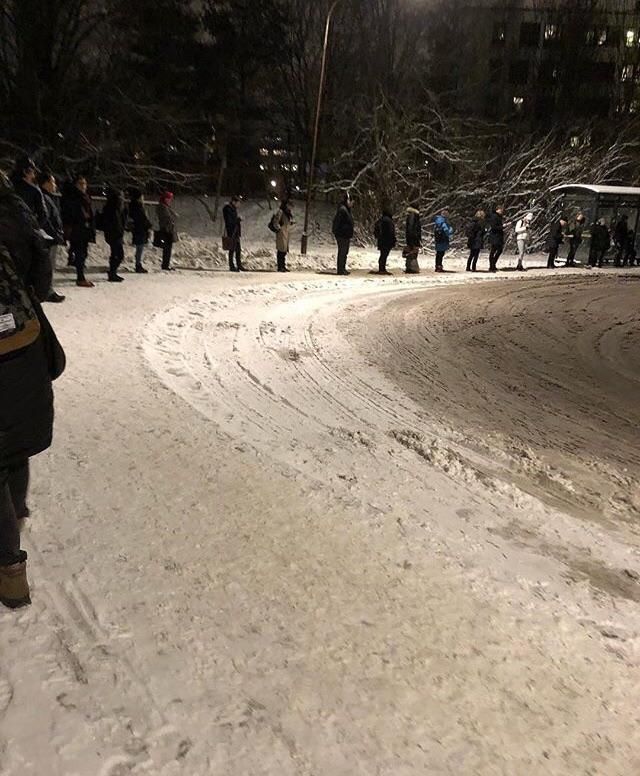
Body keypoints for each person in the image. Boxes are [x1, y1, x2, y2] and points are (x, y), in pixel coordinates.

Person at [0, 171, 55, 609]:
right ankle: (17, 511)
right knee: (13, 441)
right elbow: (42, 259)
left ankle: (10, 575)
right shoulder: (17, 209)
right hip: (24, 336)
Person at [38, 172, 66, 302]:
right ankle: (47, 291)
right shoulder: (42, 197)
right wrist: (54, 234)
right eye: (52, 182)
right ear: (45, 183)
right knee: (47, 266)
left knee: (50, 265)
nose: (54, 185)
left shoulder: (49, 197)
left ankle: (48, 289)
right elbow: (46, 219)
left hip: (52, 236)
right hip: (48, 237)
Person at [65, 174, 95, 287]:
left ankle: (80, 274)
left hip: (84, 228)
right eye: (81, 184)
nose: (83, 186)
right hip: (78, 228)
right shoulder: (74, 197)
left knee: (82, 252)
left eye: (84, 184)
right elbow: (75, 212)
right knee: (80, 253)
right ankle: (80, 277)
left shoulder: (85, 196)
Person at [10, 156, 49, 233]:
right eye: (32, 172)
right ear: (25, 172)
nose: (33, 176)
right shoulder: (34, 190)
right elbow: (43, 215)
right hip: (24, 232)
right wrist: (34, 228)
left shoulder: (6, 186)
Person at [101, 187, 127, 282]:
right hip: (114, 234)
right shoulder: (113, 208)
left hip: (115, 234)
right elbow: (114, 223)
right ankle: (112, 272)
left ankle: (113, 272)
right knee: (118, 254)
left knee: (116, 254)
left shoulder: (116, 208)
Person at [127, 188, 152, 273]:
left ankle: (138, 264)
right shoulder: (138, 206)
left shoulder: (134, 206)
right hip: (140, 229)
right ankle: (138, 265)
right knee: (140, 247)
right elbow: (142, 218)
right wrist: (148, 225)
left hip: (138, 229)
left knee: (140, 247)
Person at [332, 193, 354, 276]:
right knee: (342, 252)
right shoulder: (343, 210)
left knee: (344, 252)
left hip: (345, 234)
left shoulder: (346, 210)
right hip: (342, 235)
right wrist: (338, 232)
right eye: (351, 202)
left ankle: (342, 268)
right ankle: (340, 269)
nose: (352, 204)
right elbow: (338, 222)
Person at [271, 197, 293, 272]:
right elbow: (276, 221)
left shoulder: (287, 212)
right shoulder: (281, 211)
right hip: (281, 233)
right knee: (281, 250)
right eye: (289, 205)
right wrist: (279, 228)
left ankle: (282, 265)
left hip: (285, 232)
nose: (290, 207)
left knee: (284, 250)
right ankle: (280, 266)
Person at [222, 195, 244, 272]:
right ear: (234, 202)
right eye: (238, 203)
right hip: (232, 231)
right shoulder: (228, 209)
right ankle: (231, 266)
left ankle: (239, 265)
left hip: (236, 231)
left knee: (238, 249)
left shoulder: (233, 209)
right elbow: (229, 221)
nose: (239, 205)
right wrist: (237, 220)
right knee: (232, 249)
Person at [157, 191, 178, 271]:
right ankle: (165, 265)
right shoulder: (163, 207)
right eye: (168, 198)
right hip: (166, 229)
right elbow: (167, 217)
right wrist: (172, 217)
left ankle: (166, 264)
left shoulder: (166, 207)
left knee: (168, 248)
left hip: (168, 228)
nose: (170, 200)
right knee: (167, 248)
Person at [374, 206, 396, 274]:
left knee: (383, 254)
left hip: (382, 240)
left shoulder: (381, 219)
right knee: (384, 255)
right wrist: (393, 239)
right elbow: (390, 231)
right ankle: (382, 269)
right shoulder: (388, 220)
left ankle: (382, 268)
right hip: (387, 240)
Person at [404, 204, 421, 274]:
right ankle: (412, 268)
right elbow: (412, 228)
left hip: (410, 237)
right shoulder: (413, 216)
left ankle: (410, 267)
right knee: (413, 252)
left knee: (411, 252)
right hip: (413, 237)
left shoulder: (410, 215)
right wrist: (415, 237)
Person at [487, 205, 505, 272]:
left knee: (499, 250)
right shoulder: (494, 216)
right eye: (501, 210)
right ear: (498, 209)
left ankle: (493, 264)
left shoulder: (499, 217)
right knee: (493, 251)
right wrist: (502, 226)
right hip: (495, 236)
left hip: (498, 236)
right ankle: (491, 266)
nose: (502, 211)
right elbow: (494, 227)